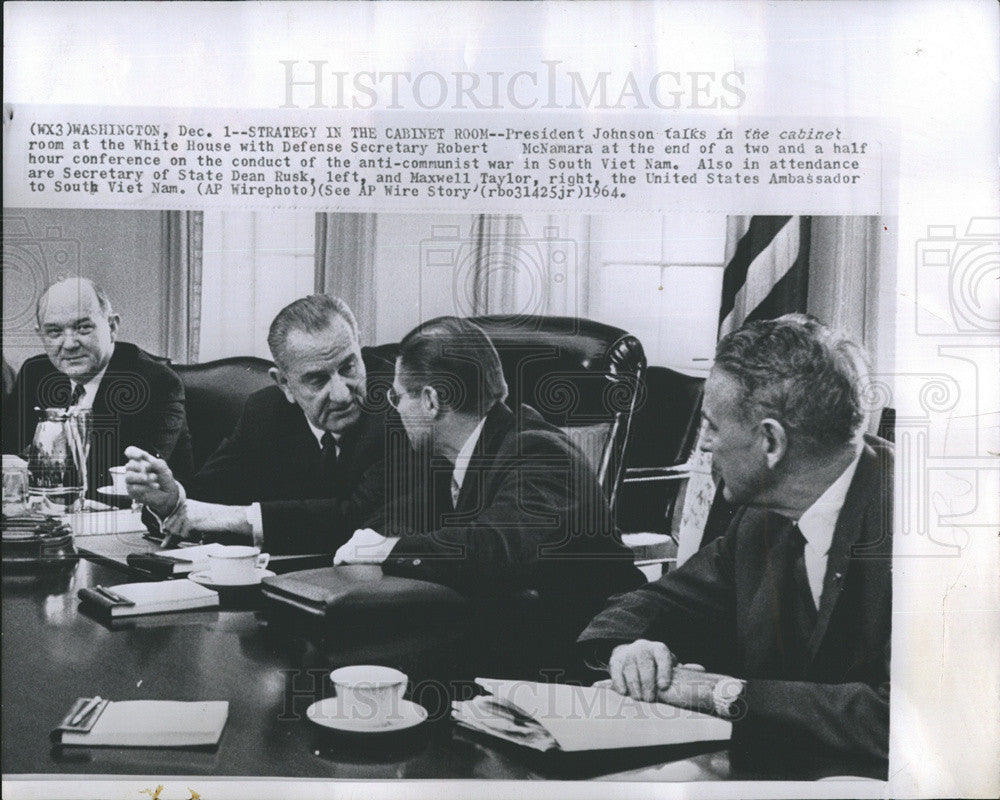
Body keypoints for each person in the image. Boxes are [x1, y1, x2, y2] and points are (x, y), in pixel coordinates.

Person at [577, 314, 892, 777]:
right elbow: (655, 601)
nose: (703, 446)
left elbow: (910, 718)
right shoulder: (760, 520)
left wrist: (721, 693)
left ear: (770, 441)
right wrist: (630, 649)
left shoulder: (918, 531)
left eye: (712, 426)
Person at [334, 316, 644, 675]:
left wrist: (389, 549)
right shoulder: (453, 455)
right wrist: (377, 539)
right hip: (510, 643)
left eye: (399, 396)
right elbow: (397, 520)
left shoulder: (539, 451)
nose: (396, 409)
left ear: (431, 401)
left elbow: (499, 545)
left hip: (585, 664)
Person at [124, 294, 398, 555]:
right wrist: (170, 503)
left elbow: (359, 518)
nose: (341, 393)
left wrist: (216, 516)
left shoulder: (397, 406)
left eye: (349, 367)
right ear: (283, 384)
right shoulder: (264, 412)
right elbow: (202, 498)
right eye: (317, 380)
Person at [3, 277, 193, 491]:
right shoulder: (36, 373)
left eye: (83, 328)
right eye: (54, 332)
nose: (69, 344)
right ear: (41, 334)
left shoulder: (154, 383)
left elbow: (127, 481)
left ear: (112, 327)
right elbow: (8, 454)